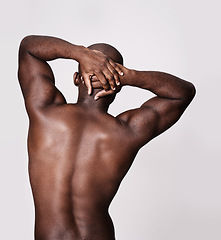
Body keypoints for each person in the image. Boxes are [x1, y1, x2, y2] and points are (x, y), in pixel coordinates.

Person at [18, 35, 195, 240]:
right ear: (116, 87)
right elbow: (182, 93)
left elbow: (28, 48)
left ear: (76, 78)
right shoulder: (127, 131)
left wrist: (80, 54)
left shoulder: (44, 112)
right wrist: (128, 76)